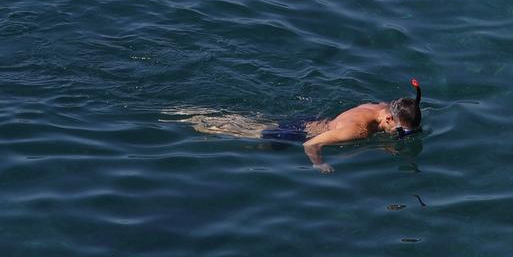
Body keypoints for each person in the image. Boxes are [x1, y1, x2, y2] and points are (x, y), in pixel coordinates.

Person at [170, 79, 423, 173]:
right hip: (300, 133)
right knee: (245, 136)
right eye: (400, 132)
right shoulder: (358, 130)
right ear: (389, 119)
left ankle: (200, 119)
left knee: (252, 128)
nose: (400, 136)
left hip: (313, 120)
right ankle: (193, 121)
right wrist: (319, 163)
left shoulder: (382, 107)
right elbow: (310, 144)